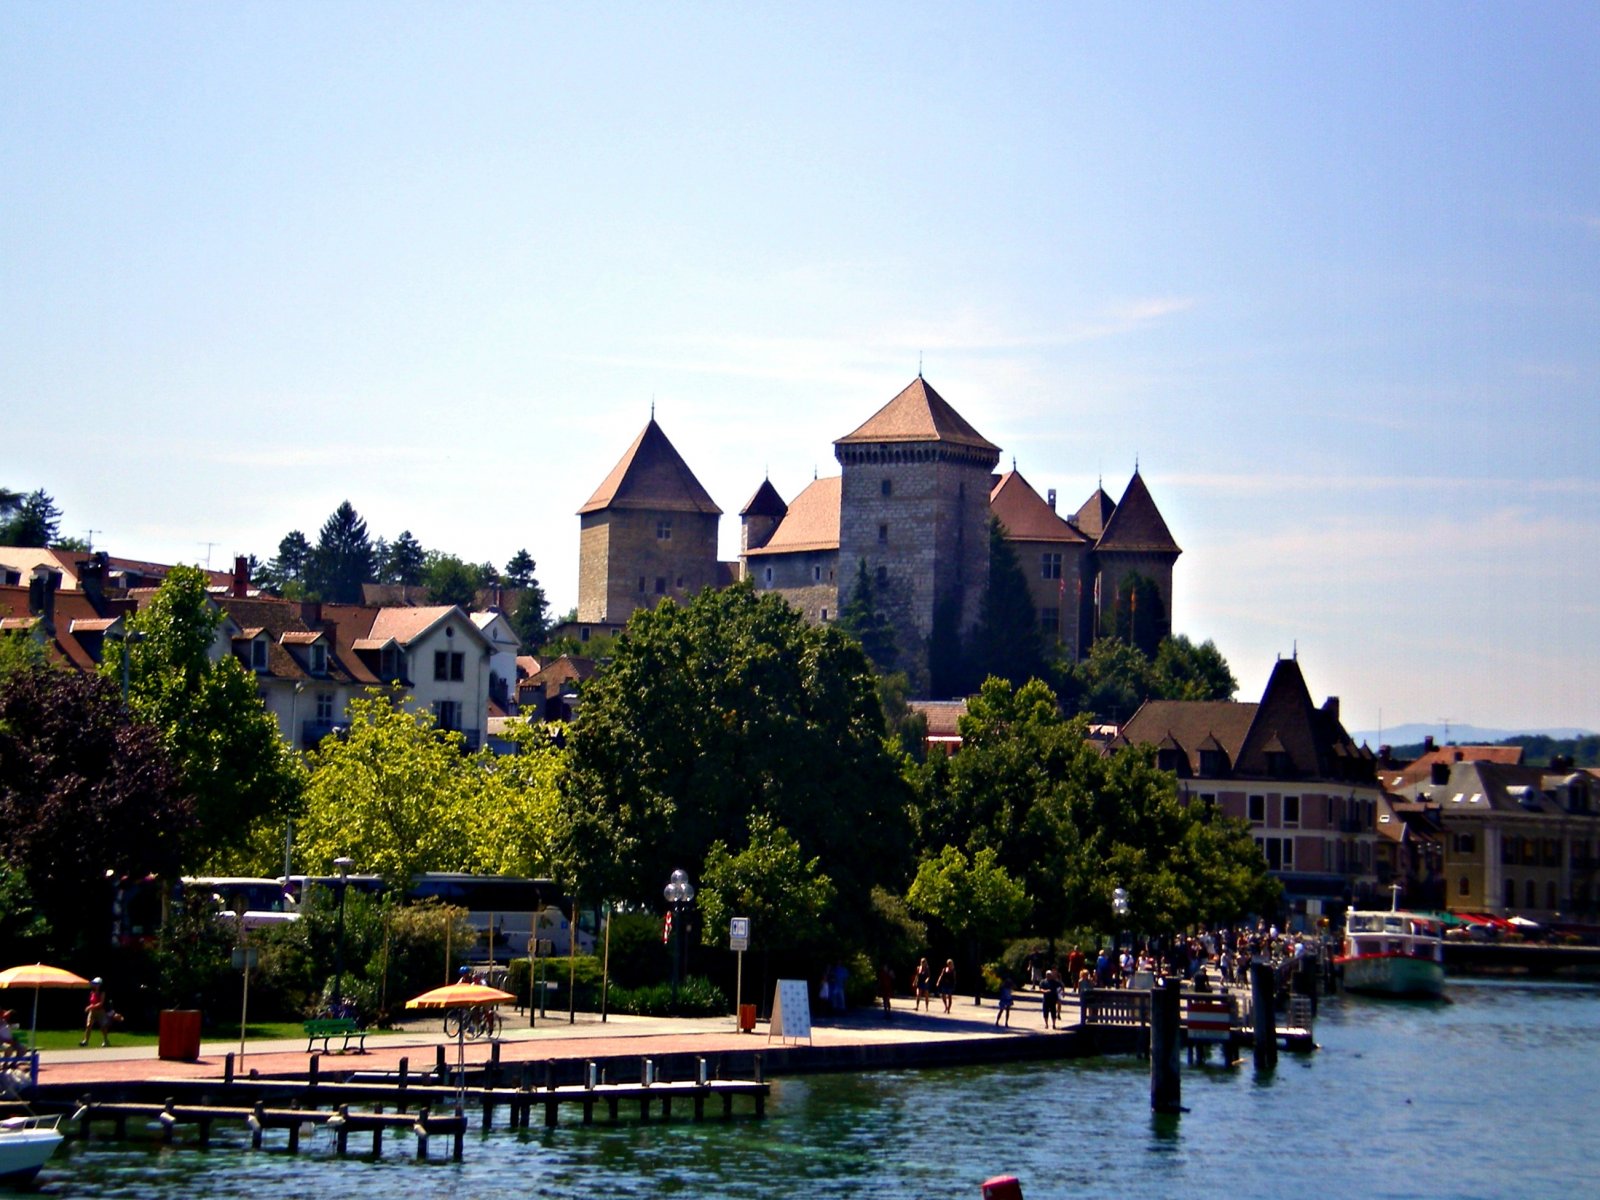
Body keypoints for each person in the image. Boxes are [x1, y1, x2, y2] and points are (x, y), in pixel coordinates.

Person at [82, 977, 112, 1047]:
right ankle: (85, 1041)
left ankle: (105, 1040)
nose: (94, 985)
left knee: (103, 1027)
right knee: (88, 1025)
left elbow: (101, 1003)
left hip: (100, 1011)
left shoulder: (102, 992)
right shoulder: (92, 992)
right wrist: (90, 1007)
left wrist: (90, 1007)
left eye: (96, 984)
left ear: (100, 985)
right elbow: (92, 1001)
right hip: (92, 1011)